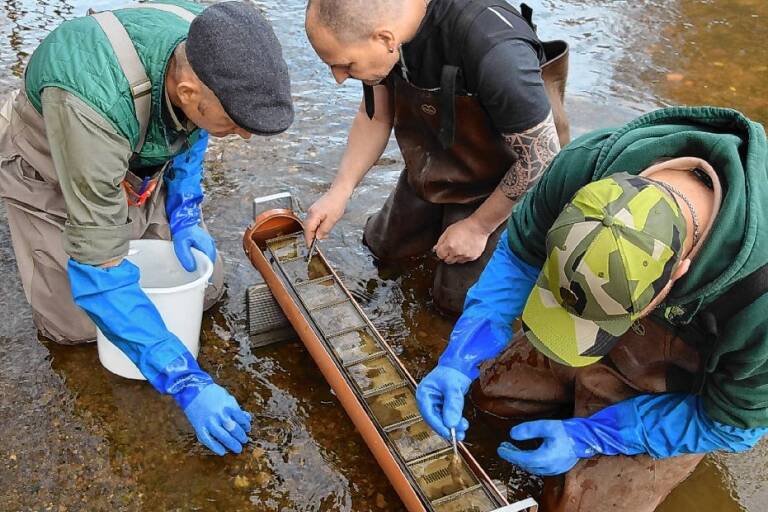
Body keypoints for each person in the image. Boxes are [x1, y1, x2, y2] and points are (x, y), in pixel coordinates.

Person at [416, 106, 768, 511]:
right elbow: (518, 256)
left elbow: (732, 424)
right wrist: (460, 358)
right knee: (488, 395)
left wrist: (593, 435)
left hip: (678, 381)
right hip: (614, 313)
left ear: (680, 273)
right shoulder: (584, 167)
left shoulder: (758, 299)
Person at [0, 1, 293, 456]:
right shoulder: (91, 100)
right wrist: (186, 382)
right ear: (188, 89)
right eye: (235, 122)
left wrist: (186, 212)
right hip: (55, 156)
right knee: (78, 327)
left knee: (207, 284)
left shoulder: (208, 39)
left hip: (132, 152)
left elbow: (193, 133)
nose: (244, 135)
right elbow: (97, 269)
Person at [303, 0, 569, 314]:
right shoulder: (382, 36)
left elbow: (543, 157)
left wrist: (477, 228)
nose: (338, 77)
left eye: (346, 66)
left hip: (509, 181)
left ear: (386, 39)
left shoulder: (495, 51)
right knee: (381, 248)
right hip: (436, 162)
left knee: (458, 301)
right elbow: (375, 117)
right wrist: (340, 191)